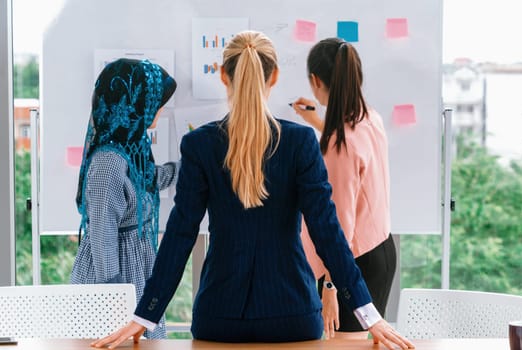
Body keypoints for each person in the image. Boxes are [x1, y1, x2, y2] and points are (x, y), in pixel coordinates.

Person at [91, 31, 413, 349]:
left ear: (222, 75)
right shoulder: (300, 142)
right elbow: (327, 230)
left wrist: (146, 315)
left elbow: (180, 234)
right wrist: (369, 314)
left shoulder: (199, 144)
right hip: (293, 315)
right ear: (274, 77)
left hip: (220, 316)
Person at [292, 38, 396, 334]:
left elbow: (339, 225)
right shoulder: (368, 117)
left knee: (346, 342)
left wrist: (330, 286)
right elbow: (351, 146)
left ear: (315, 81)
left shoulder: (340, 145)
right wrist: (317, 121)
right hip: (379, 250)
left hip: (353, 264)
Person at [70, 58, 178, 339]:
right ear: (136, 103)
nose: (160, 110)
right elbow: (103, 234)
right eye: (157, 103)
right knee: (119, 341)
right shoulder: (108, 163)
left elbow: (150, 180)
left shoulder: (130, 149)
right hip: (115, 274)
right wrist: (115, 297)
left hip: (133, 267)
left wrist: (189, 164)